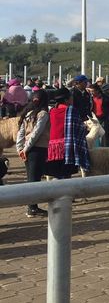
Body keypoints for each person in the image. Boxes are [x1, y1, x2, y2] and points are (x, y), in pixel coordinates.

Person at [15, 89, 50, 217]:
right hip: (37, 149)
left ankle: (32, 206)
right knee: (34, 179)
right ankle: (32, 207)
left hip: (27, 150)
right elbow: (36, 133)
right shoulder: (43, 114)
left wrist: (20, 149)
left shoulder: (28, 113)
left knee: (31, 177)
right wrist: (25, 149)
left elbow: (21, 132)